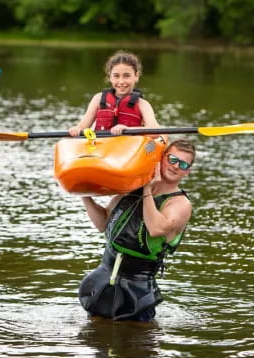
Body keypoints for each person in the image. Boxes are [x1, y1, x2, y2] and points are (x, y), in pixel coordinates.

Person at [78, 139, 196, 321]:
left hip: (138, 292)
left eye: (182, 164)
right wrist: (84, 195)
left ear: (187, 171)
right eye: (172, 159)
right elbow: (103, 223)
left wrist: (147, 190)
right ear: (161, 158)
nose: (175, 166)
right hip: (102, 284)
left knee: (137, 345)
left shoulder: (180, 203)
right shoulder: (131, 188)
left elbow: (156, 229)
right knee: (96, 341)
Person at [69, 50, 159, 136]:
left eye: (126, 76)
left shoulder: (143, 104)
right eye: (116, 76)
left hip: (130, 148)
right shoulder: (98, 99)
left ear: (136, 76)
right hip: (101, 147)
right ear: (110, 77)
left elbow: (154, 130)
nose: (121, 81)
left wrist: (127, 129)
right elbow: (83, 126)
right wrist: (77, 128)